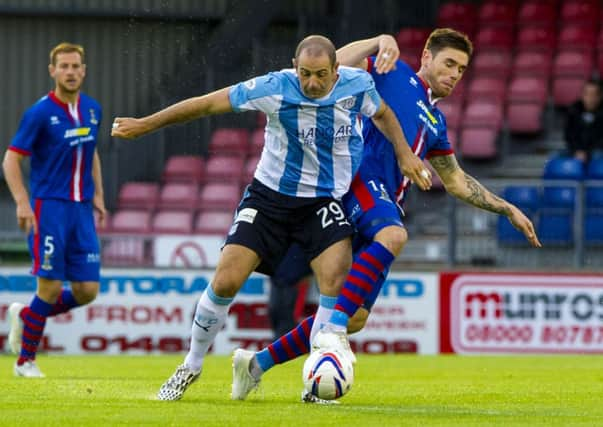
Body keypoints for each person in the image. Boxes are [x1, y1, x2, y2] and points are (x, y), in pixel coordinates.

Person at [111, 34, 432, 401]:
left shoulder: (357, 84)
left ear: (335, 71)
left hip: (321, 203)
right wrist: (147, 124)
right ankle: (191, 365)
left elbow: (384, 114)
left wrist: (405, 154)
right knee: (227, 280)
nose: (312, 83)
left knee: (335, 278)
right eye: (306, 74)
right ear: (295, 68)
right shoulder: (274, 87)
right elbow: (205, 104)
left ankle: (318, 375)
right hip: (269, 199)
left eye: (321, 75)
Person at [230, 28, 542, 403]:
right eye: (448, 63)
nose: (455, 74)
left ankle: (254, 365)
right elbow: (336, 62)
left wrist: (506, 208)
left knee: (355, 316)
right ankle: (328, 341)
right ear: (426, 56)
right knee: (393, 238)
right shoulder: (392, 72)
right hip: (361, 179)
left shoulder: (435, 122)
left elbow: (456, 180)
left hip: (385, 202)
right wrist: (380, 41)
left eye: (461, 68)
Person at [2, 42, 105, 377]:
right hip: (50, 208)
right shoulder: (40, 113)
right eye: (64, 66)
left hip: (81, 210)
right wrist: (22, 202)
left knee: (87, 290)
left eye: (76, 66)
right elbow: (11, 159)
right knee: (48, 288)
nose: (71, 72)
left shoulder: (92, 109)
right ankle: (24, 362)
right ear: (53, 71)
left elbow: (92, 153)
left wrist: (99, 196)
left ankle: (28, 316)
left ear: (84, 70)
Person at [268, 244, 313, 338]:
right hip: (277, 278)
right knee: (274, 312)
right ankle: (277, 343)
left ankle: (283, 346)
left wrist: (308, 273)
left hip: (297, 280)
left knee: (289, 317)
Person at [564, 78, 603, 162]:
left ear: (600, 96)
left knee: (597, 156)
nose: (590, 98)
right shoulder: (574, 110)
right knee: (556, 157)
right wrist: (577, 150)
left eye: (594, 94)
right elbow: (569, 135)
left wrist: (588, 153)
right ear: (582, 95)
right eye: (587, 94)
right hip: (576, 150)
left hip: (597, 151)